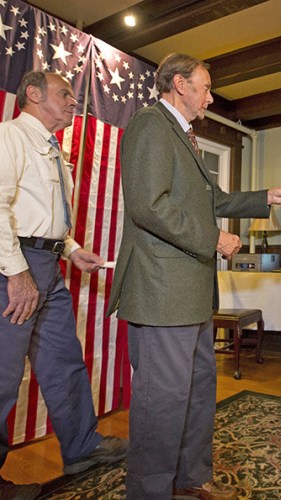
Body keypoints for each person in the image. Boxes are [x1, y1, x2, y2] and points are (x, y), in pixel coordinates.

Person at [106, 53, 281, 499]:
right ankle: (150, 491)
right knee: (161, 403)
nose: (211, 98)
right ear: (179, 84)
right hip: (161, 290)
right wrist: (214, 239)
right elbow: (148, 206)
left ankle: (191, 478)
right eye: (206, 88)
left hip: (191, 292)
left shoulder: (185, 136)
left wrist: (267, 195)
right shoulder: (151, 125)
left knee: (194, 393)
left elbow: (215, 198)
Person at [0, 71, 127, 499]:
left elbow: (45, 215)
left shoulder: (54, 149)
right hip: (12, 264)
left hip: (48, 265)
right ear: (33, 94)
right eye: (64, 94)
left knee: (64, 362)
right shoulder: (10, 137)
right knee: (1, 376)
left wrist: (70, 249)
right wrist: (17, 273)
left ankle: (82, 447)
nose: (74, 102)